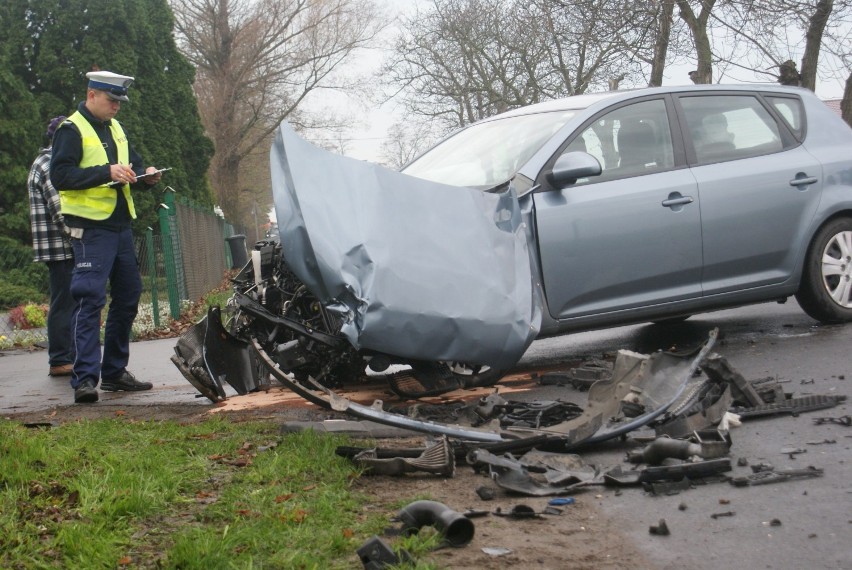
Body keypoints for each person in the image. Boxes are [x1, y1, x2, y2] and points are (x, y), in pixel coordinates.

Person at [50, 70, 162, 403]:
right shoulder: (70, 129)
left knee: (129, 296)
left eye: (119, 102)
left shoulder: (116, 128)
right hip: (91, 228)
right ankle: (84, 379)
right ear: (92, 95)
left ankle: (114, 372)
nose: (117, 107)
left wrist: (146, 177)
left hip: (120, 226)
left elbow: (133, 168)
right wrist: (106, 172)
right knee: (89, 299)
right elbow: (60, 175)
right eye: (112, 100)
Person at [28, 115, 75, 377]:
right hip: (62, 247)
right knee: (65, 302)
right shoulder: (49, 163)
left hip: (59, 246)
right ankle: (60, 359)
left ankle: (66, 356)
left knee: (66, 301)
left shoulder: (46, 161)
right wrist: (81, 239)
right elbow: (61, 211)